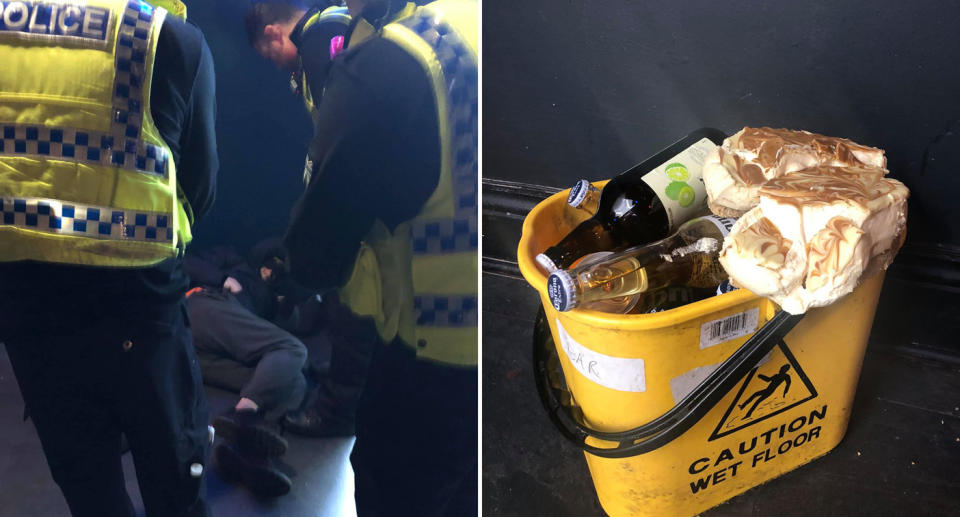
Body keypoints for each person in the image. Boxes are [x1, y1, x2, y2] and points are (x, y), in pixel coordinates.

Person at [247, 0, 478, 514]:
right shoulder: (466, 19)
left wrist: (285, 274)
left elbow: (321, 236)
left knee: (393, 485)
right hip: (494, 322)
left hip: (431, 340)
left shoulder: (386, 61)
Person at [0, 1, 218, 516]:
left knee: (90, 491)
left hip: (29, 308)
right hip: (138, 308)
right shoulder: (167, 39)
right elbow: (199, 191)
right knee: (174, 483)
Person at [184, 241, 315, 497]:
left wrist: (285, 296)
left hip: (201, 356)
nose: (271, 271)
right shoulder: (233, 258)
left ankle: (243, 456)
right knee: (294, 349)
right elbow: (186, 260)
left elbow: (304, 322)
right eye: (272, 264)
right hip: (203, 308)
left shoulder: (279, 301)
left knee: (294, 383)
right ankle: (240, 417)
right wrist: (222, 278)